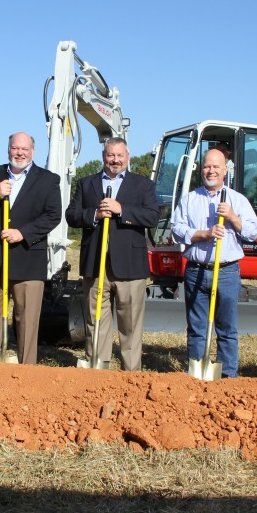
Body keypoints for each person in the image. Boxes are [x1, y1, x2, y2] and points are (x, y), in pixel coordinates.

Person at [65, 137, 159, 370]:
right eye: (110, 155)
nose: (115, 160)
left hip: (129, 266)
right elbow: (72, 215)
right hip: (96, 265)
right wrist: (94, 215)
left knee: (130, 324)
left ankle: (131, 374)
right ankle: (98, 368)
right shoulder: (87, 184)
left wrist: (121, 210)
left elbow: (152, 217)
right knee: (95, 322)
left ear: (127, 157)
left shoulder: (143, 185)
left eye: (120, 156)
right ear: (103, 156)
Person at [0, 132, 61, 364]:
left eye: (24, 149)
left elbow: (53, 215)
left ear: (33, 151)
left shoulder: (48, 179)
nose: (19, 153)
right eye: (15, 148)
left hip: (28, 260)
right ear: (8, 149)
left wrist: (23, 233)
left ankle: (25, 371)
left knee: (27, 320)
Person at [171, 148, 257, 378]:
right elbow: (177, 230)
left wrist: (232, 217)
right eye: (207, 166)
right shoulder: (190, 199)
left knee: (227, 328)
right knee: (197, 327)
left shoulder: (237, 200)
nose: (211, 171)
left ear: (224, 170)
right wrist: (204, 234)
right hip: (196, 270)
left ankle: (227, 376)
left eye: (216, 167)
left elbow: (253, 232)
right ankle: (197, 371)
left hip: (227, 271)